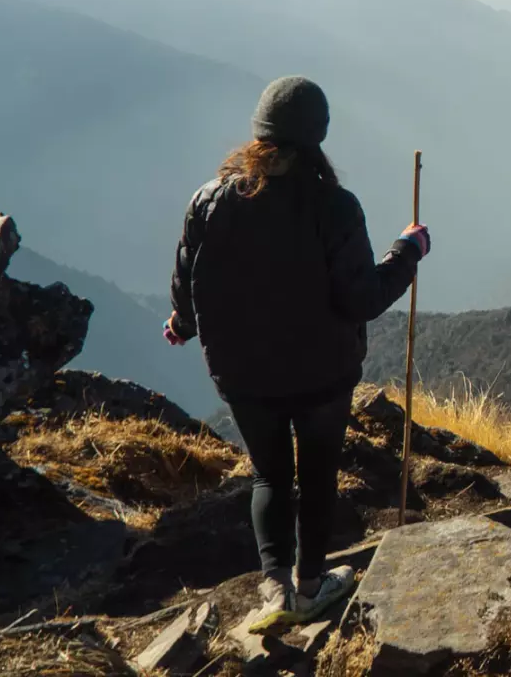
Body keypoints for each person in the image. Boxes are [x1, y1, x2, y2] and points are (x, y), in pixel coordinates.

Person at [165, 76, 430, 630]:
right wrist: (407, 252)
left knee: (268, 476)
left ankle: (273, 588)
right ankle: (310, 588)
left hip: (243, 374)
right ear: (318, 135)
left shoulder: (209, 201)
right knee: (316, 476)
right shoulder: (333, 207)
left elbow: (191, 277)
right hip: (321, 374)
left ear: (260, 132)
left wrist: (184, 324)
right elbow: (360, 298)